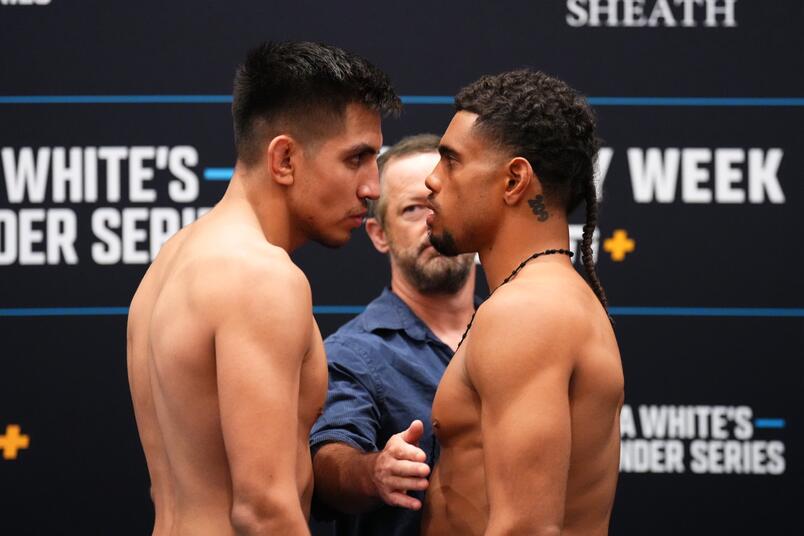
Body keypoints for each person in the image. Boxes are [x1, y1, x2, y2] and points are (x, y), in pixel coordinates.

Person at [126, 41, 400, 535]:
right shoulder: (261, 276)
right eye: (356, 158)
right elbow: (264, 510)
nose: (372, 187)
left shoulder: (171, 261)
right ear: (284, 159)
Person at [422, 70, 624, 536]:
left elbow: (527, 529)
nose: (432, 180)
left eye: (451, 161)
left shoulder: (527, 312)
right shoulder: (550, 297)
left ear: (514, 180)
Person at [310, 134, 477, 536]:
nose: (432, 220)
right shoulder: (351, 353)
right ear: (379, 234)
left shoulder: (520, 334)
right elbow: (329, 460)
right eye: (413, 208)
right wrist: (375, 472)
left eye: (443, 201)